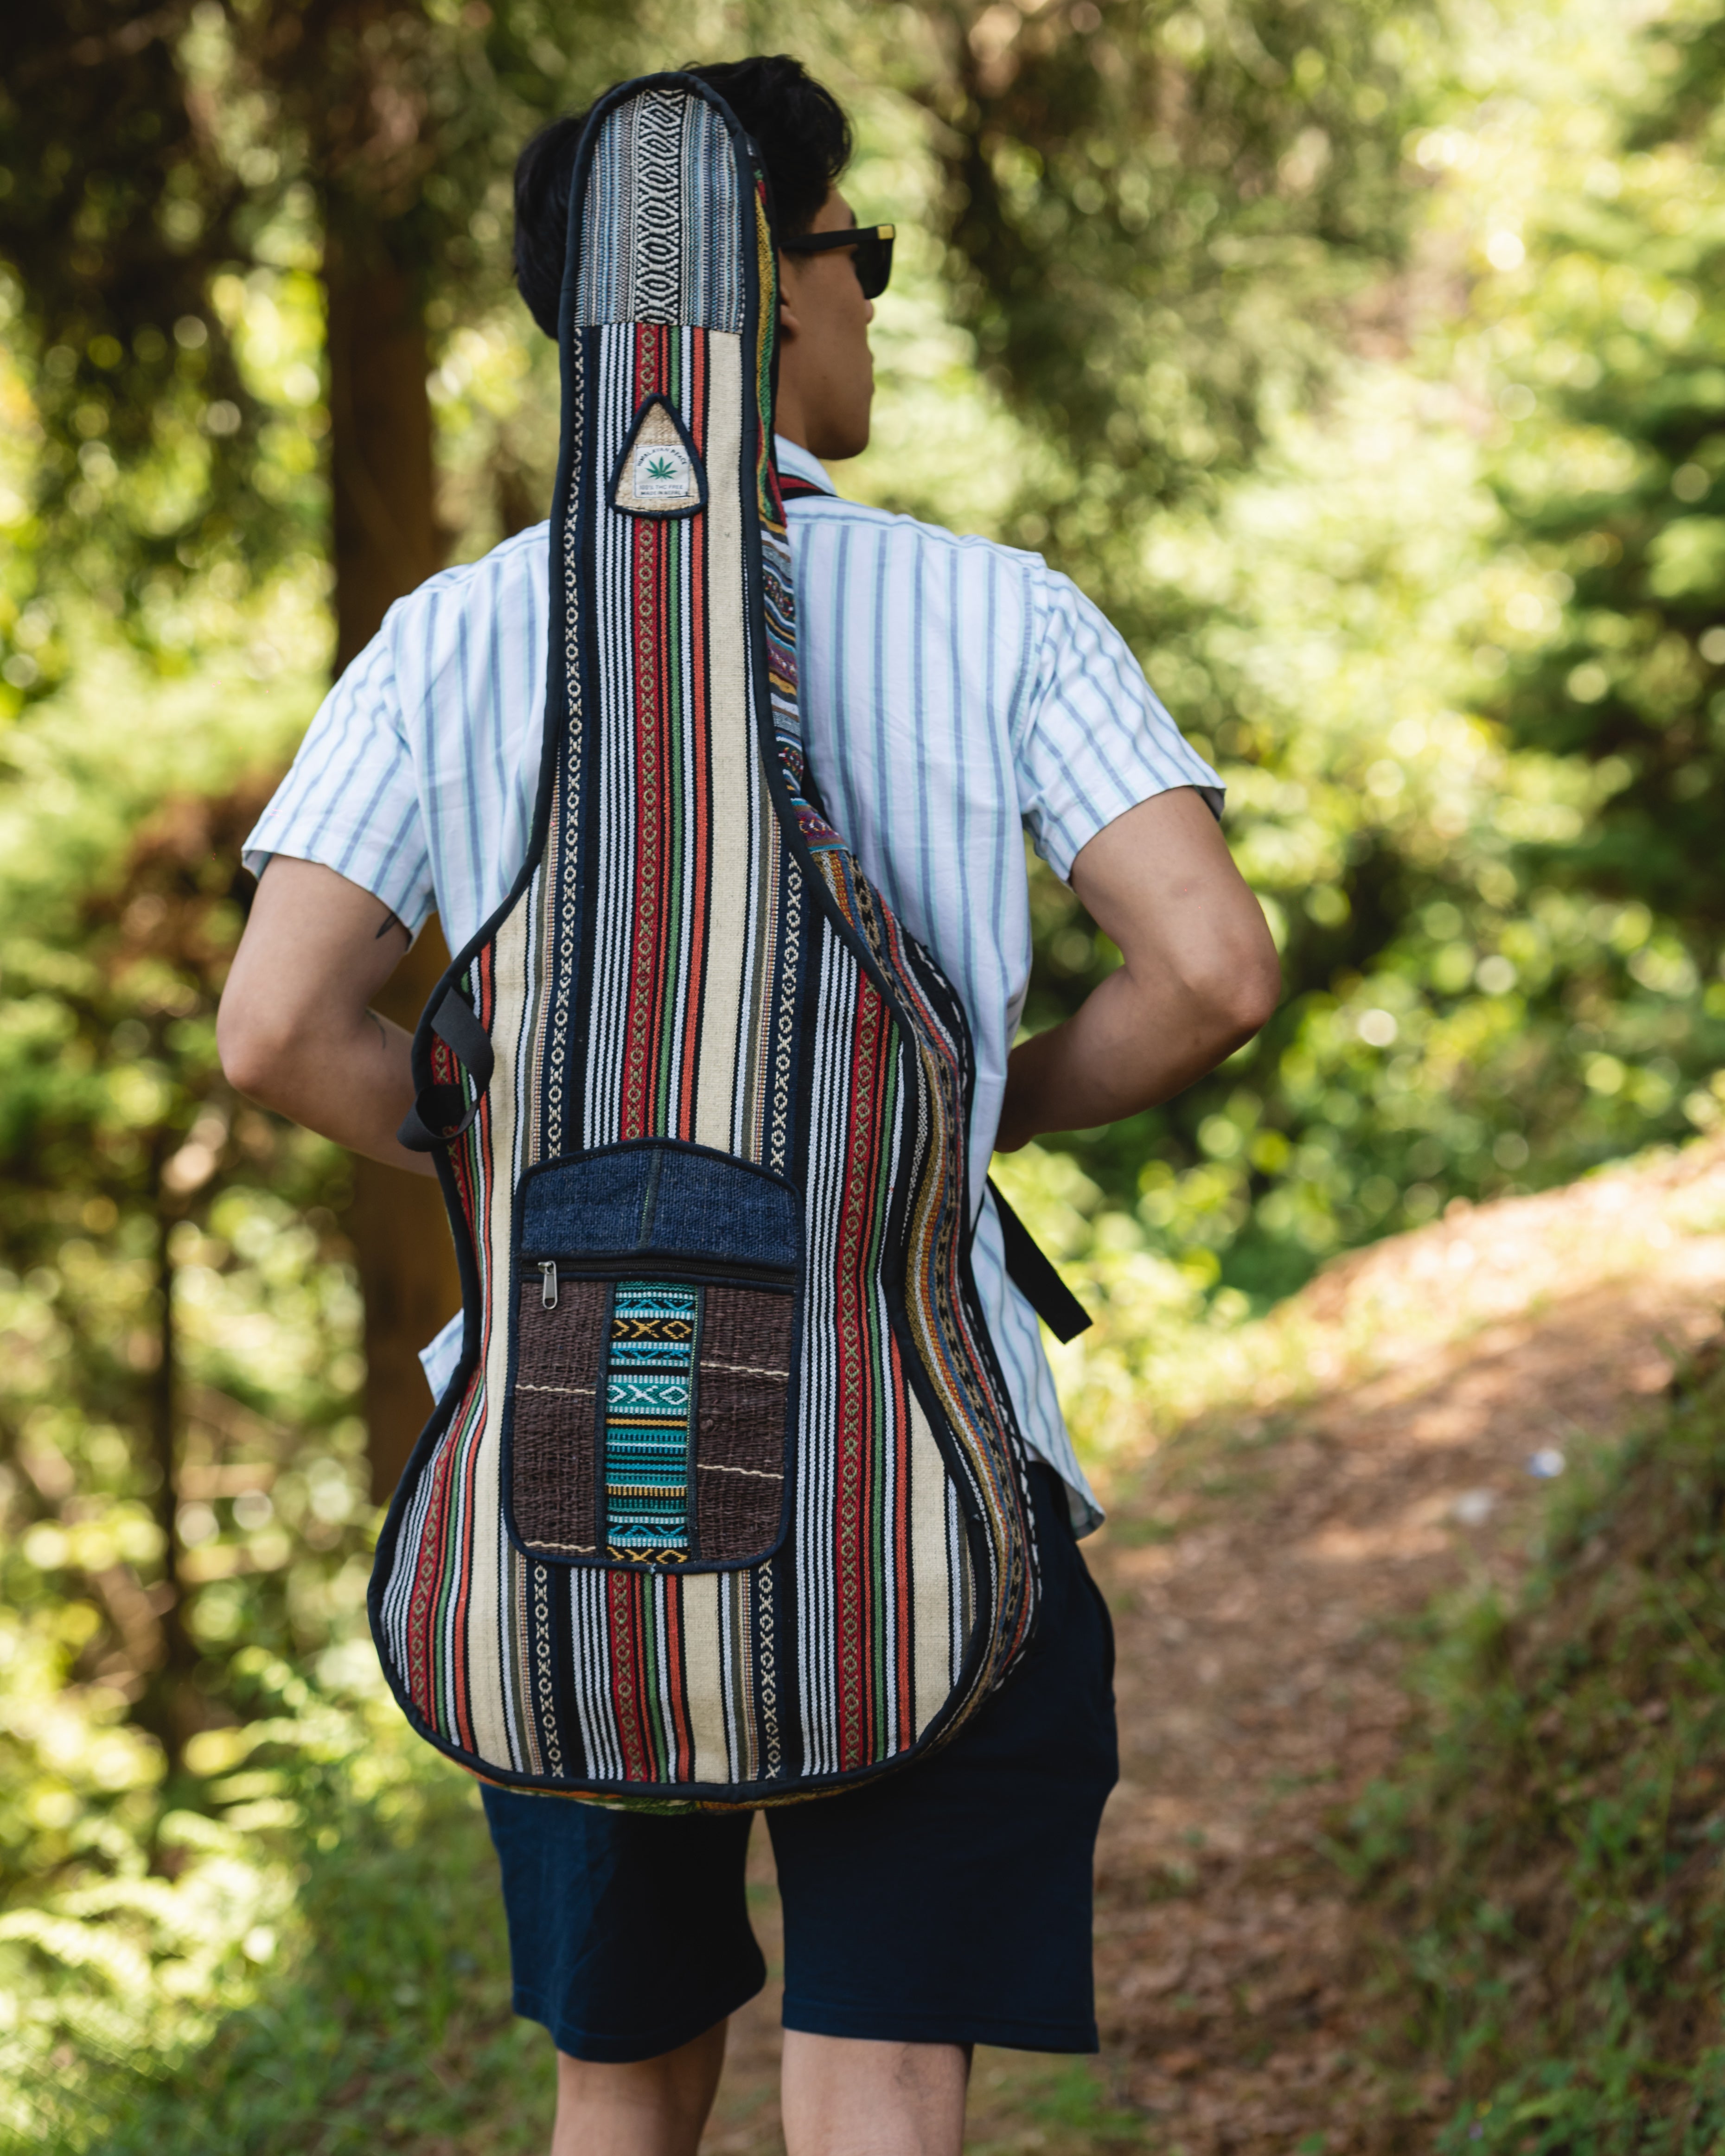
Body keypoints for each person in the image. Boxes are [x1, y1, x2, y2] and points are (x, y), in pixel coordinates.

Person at [218, 52, 1280, 2156]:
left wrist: (514, 1164)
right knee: (877, 2062)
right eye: (855, 250)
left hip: (561, 1466)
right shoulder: (999, 613)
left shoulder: (447, 641)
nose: (871, 295)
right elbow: (1216, 971)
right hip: (931, 1457)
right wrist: (966, 1117)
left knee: (621, 2070)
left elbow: (271, 1031)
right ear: (759, 291)